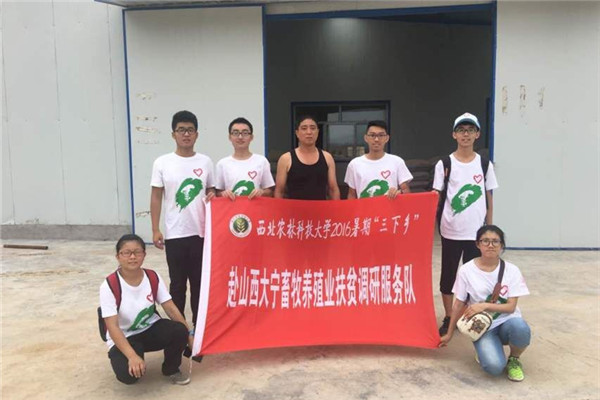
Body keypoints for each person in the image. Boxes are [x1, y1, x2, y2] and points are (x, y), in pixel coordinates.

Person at [433, 112, 498, 336]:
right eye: (461, 130)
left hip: (476, 233)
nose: (466, 134)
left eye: (470, 130)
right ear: (454, 134)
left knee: (474, 277)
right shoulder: (445, 164)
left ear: (477, 134)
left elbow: (488, 197)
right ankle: (449, 316)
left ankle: (470, 315)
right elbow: (435, 195)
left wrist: (489, 230)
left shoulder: (484, 164)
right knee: (449, 276)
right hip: (451, 230)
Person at [439, 225, 531, 382]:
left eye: (495, 241)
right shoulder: (466, 270)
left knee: (521, 328)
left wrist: (484, 305)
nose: (490, 245)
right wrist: (449, 333)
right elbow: (458, 304)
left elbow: (511, 307)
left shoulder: (512, 270)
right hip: (482, 326)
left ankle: (514, 359)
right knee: (494, 367)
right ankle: (484, 349)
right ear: (477, 244)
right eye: (485, 241)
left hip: (508, 321)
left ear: (501, 245)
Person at [100, 234, 194, 385]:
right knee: (128, 376)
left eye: (137, 252)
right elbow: (113, 327)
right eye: (126, 252)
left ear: (144, 254)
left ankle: (171, 369)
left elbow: (170, 307)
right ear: (118, 256)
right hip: (125, 336)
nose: (132, 257)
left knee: (179, 330)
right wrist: (132, 356)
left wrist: (189, 335)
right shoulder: (109, 285)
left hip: (150, 328)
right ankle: (133, 355)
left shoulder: (152, 276)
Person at [150, 110, 215, 327]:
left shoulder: (205, 162)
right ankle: (179, 330)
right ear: (173, 134)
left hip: (201, 233)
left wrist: (213, 195)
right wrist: (155, 229)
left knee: (199, 284)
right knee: (177, 285)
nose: (186, 134)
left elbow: (212, 191)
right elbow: (156, 196)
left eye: (190, 130)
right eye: (181, 130)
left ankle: (199, 329)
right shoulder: (162, 162)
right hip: (175, 233)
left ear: (196, 134)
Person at [274, 115, 340, 200]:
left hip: (321, 208)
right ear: (297, 133)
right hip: (294, 208)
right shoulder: (286, 159)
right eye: (304, 128)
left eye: (312, 128)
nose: (309, 132)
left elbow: (333, 189)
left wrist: (336, 207)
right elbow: (279, 191)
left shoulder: (327, 157)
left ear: (317, 132)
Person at [344, 120, 412, 199]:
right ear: (366, 138)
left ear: (387, 138)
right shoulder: (354, 164)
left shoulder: (397, 162)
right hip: (364, 207)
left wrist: (399, 192)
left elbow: (406, 191)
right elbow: (351, 194)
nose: (376, 139)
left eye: (381, 135)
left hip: (390, 207)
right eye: (372, 135)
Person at [215, 117, 275, 200]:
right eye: (235, 133)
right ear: (230, 137)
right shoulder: (222, 164)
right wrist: (223, 194)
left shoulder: (262, 161)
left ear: (251, 137)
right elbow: (217, 192)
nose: (240, 137)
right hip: (231, 207)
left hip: (255, 207)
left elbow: (270, 191)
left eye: (245, 133)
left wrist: (261, 192)